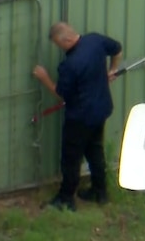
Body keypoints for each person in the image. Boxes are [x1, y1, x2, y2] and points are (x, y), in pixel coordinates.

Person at [33, 22, 123, 211]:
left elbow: (61, 94)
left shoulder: (70, 65)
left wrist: (44, 78)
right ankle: (100, 192)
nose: (59, 48)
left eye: (59, 44)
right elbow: (117, 49)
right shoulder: (95, 40)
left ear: (66, 39)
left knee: (71, 158)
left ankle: (66, 198)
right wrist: (112, 70)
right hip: (101, 109)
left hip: (80, 117)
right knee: (95, 150)